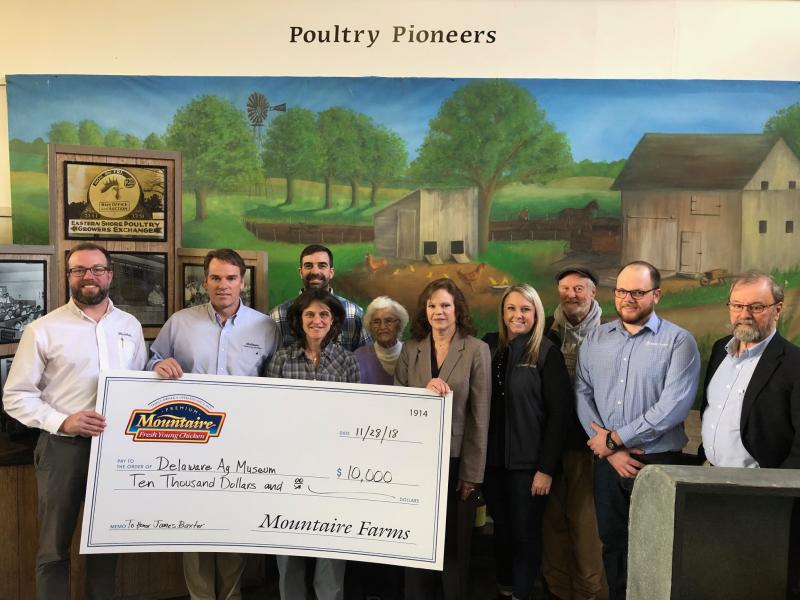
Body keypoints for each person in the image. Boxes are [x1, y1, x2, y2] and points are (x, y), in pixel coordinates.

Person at [2, 242, 147, 600]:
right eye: (79, 269)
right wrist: (62, 422)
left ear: (110, 275)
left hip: (115, 452)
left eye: (97, 269)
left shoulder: (129, 326)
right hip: (62, 450)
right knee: (53, 548)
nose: (88, 276)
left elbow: (138, 383)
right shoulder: (43, 329)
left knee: (104, 545)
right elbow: (15, 395)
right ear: (68, 276)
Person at [148, 248, 279, 600]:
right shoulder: (180, 322)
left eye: (231, 278)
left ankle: (232, 596)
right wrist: (157, 366)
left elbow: (275, 384)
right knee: (194, 525)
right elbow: (152, 360)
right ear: (205, 281)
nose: (224, 285)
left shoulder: (265, 327)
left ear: (242, 282)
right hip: (191, 442)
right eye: (216, 278)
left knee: (233, 526)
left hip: (242, 444)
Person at [575, 261, 700, 600]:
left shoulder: (679, 342)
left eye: (637, 292)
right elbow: (582, 394)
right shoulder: (595, 338)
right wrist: (610, 450)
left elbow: (672, 407)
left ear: (656, 295)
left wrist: (615, 440)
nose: (627, 298)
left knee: (656, 548)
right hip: (607, 464)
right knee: (613, 544)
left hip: (657, 462)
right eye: (621, 291)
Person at [394, 278, 491, 600]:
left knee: (453, 546)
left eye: (445, 305)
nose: (439, 311)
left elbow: (480, 416)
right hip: (415, 463)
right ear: (425, 310)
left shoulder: (476, 349)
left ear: (457, 309)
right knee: (415, 540)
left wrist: (471, 474)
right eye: (432, 305)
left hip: (457, 462)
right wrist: (422, 392)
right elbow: (396, 401)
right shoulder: (411, 349)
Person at [265, 287, 360, 600]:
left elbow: (355, 418)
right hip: (288, 468)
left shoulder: (347, 362)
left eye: (324, 314)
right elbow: (269, 414)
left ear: (333, 321)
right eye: (309, 314)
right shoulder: (281, 360)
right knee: (288, 549)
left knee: (331, 550)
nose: (317, 320)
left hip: (333, 469)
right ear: (298, 319)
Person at [482, 284, 571, 600]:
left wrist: (545, 468)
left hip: (530, 466)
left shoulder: (546, 352)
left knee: (525, 533)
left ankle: (521, 593)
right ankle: (505, 586)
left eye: (525, 309)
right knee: (501, 530)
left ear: (536, 314)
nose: (517, 315)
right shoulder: (488, 346)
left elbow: (560, 415)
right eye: (511, 308)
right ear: (502, 312)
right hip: (492, 462)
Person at [542, 267, 605, 600]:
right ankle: (557, 591)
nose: (571, 294)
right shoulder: (544, 332)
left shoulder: (610, 335)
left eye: (579, 288)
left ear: (593, 293)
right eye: (565, 288)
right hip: (549, 446)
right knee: (552, 526)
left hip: (589, 447)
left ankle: (588, 593)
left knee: (586, 528)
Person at [700, 271, 800, 469]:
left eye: (756, 307)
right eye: (737, 305)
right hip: (709, 473)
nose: (744, 315)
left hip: (759, 484)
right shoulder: (720, 350)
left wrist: (777, 485)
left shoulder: (794, 363)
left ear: (777, 310)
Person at [271, 244, 371, 351]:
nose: (315, 272)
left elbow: (366, 357)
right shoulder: (277, 316)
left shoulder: (354, 313)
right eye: (308, 266)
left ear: (331, 272)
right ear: (301, 272)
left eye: (322, 266)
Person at [354, 295, 409, 385]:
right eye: (376, 322)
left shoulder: (411, 354)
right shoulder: (358, 357)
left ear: (398, 324)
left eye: (388, 321)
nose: (382, 327)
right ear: (370, 326)